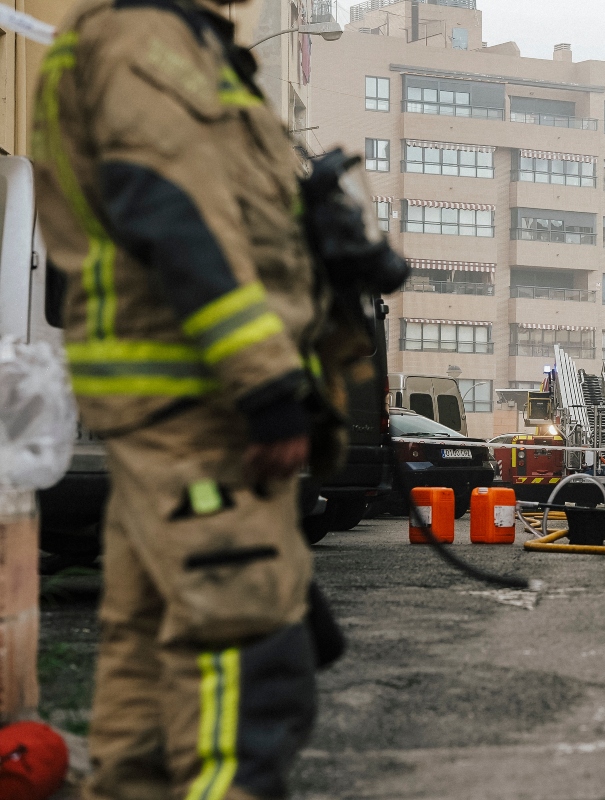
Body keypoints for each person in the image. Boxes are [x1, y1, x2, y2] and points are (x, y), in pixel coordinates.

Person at [31, 0, 325, 797]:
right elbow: (174, 210)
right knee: (240, 649)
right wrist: (264, 382)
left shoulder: (149, 43)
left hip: (167, 408)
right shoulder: (143, 43)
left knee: (147, 651)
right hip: (199, 405)